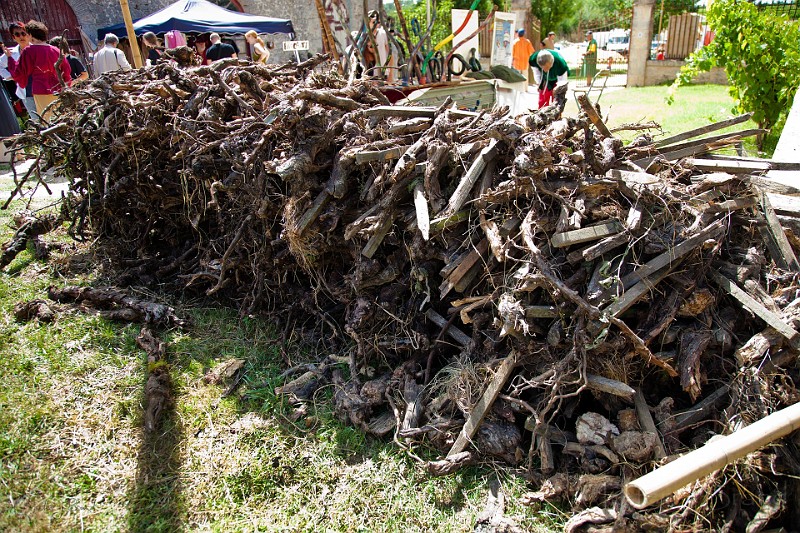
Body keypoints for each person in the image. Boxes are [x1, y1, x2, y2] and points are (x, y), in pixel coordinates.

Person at [4, 20, 71, 122]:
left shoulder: (29, 51)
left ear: (30, 35)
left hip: (40, 90)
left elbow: (19, 72)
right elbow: (66, 71)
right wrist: (65, 87)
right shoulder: (56, 50)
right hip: (58, 90)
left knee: (45, 121)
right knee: (60, 119)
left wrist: (10, 59)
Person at [0, 21, 39, 123]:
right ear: (13, 37)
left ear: (28, 34)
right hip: (26, 92)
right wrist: (11, 76)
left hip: (42, 89)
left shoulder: (37, 49)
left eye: (23, 33)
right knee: (36, 120)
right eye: (17, 34)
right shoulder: (11, 53)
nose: (21, 36)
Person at [367, 10, 391, 82]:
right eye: (374, 22)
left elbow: (390, 53)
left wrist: (391, 73)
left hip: (383, 71)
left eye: (378, 22)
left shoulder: (383, 33)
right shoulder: (365, 36)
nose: (376, 24)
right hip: (370, 73)